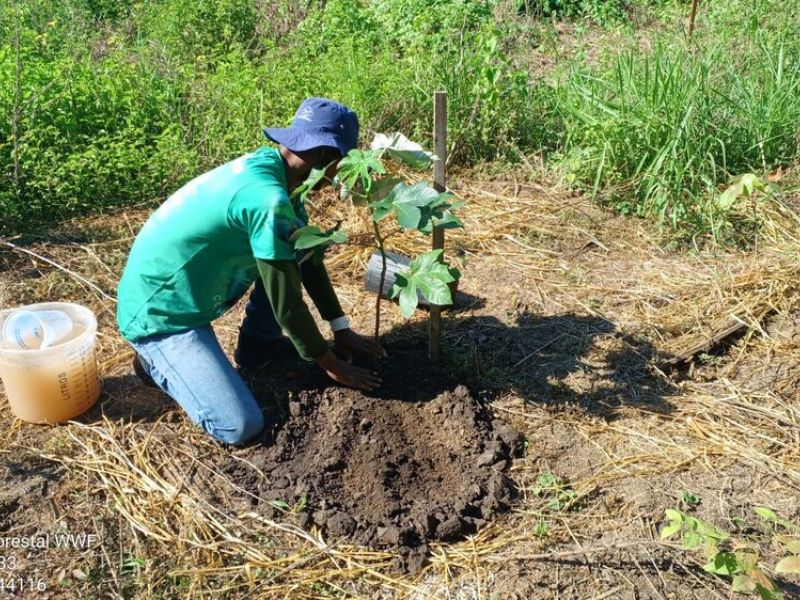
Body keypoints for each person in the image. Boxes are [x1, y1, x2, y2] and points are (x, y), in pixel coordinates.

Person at [116, 97, 384, 445]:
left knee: (283, 259)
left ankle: (258, 347)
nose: (340, 176)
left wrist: (341, 328)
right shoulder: (268, 200)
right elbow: (287, 303)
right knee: (239, 426)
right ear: (324, 156)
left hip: (192, 286)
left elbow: (306, 258)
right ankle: (155, 359)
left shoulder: (280, 175)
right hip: (163, 311)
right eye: (341, 164)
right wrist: (329, 362)